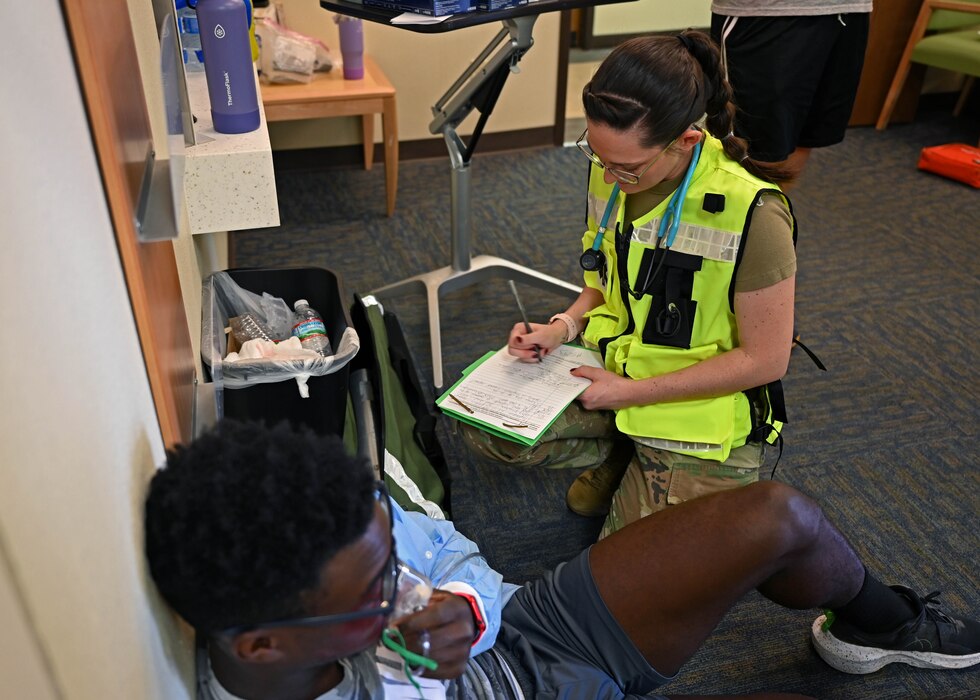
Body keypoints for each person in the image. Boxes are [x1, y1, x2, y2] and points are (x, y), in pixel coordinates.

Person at [144, 420, 980, 700]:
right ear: (262, 646)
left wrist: (466, 606)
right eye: (374, 592)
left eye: (389, 559)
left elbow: (450, 549)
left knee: (777, 516)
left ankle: (882, 625)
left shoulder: (327, 539)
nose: (401, 590)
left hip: (529, 628)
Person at [462, 30, 798, 537]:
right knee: (489, 428)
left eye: (626, 167)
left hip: (696, 410)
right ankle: (627, 453)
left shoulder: (754, 213)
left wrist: (633, 392)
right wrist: (562, 326)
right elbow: (607, 283)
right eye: (596, 155)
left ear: (686, 140)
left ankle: (647, 461)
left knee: (625, 577)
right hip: (619, 370)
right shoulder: (615, 171)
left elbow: (765, 360)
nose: (608, 176)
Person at [710, 1, 873, 187]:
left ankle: (772, 205)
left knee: (803, 135)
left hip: (848, 10)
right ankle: (742, 205)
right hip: (766, 13)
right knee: (756, 145)